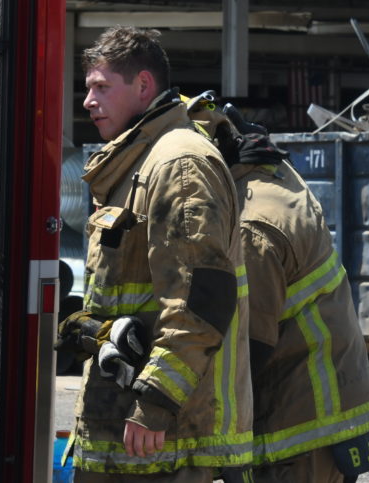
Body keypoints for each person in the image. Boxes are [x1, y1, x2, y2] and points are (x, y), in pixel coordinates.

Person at [57, 27, 252, 482]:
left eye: (101, 87)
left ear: (143, 85)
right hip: (135, 438)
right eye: (88, 88)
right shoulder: (137, 162)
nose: (88, 101)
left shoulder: (178, 165)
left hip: (166, 443)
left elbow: (199, 301)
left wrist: (156, 402)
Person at [187, 95, 369, 483]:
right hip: (327, 420)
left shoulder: (251, 228)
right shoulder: (267, 177)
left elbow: (247, 351)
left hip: (300, 435)